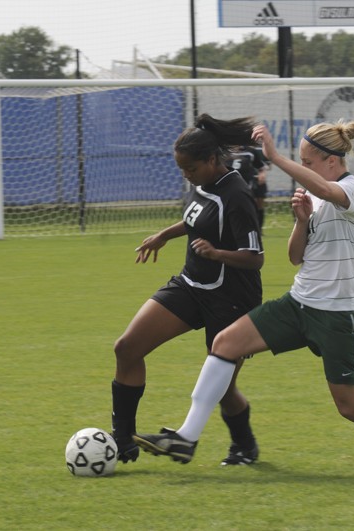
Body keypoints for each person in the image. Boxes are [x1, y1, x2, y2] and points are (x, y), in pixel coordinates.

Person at [133, 119, 354, 470]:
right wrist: (301, 221)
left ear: (332, 161)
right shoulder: (315, 194)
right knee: (224, 344)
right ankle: (186, 437)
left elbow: (332, 193)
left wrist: (274, 155)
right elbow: (294, 257)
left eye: (307, 163)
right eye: (300, 162)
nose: (303, 170)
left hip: (337, 314)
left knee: (352, 407)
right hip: (298, 303)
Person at [111, 113, 265, 466]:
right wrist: (165, 234)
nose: (186, 175)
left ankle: (244, 446)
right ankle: (122, 439)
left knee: (222, 388)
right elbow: (198, 216)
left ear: (212, 160)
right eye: (181, 169)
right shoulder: (201, 182)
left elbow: (255, 258)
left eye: (190, 168)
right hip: (191, 285)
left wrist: (217, 253)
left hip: (231, 300)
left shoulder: (238, 195)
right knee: (127, 347)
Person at [226, 146, 269, 232]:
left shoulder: (251, 151)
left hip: (246, 189)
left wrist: (262, 174)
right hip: (227, 189)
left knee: (249, 210)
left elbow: (261, 166)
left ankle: (257, 230)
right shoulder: (223, 151)